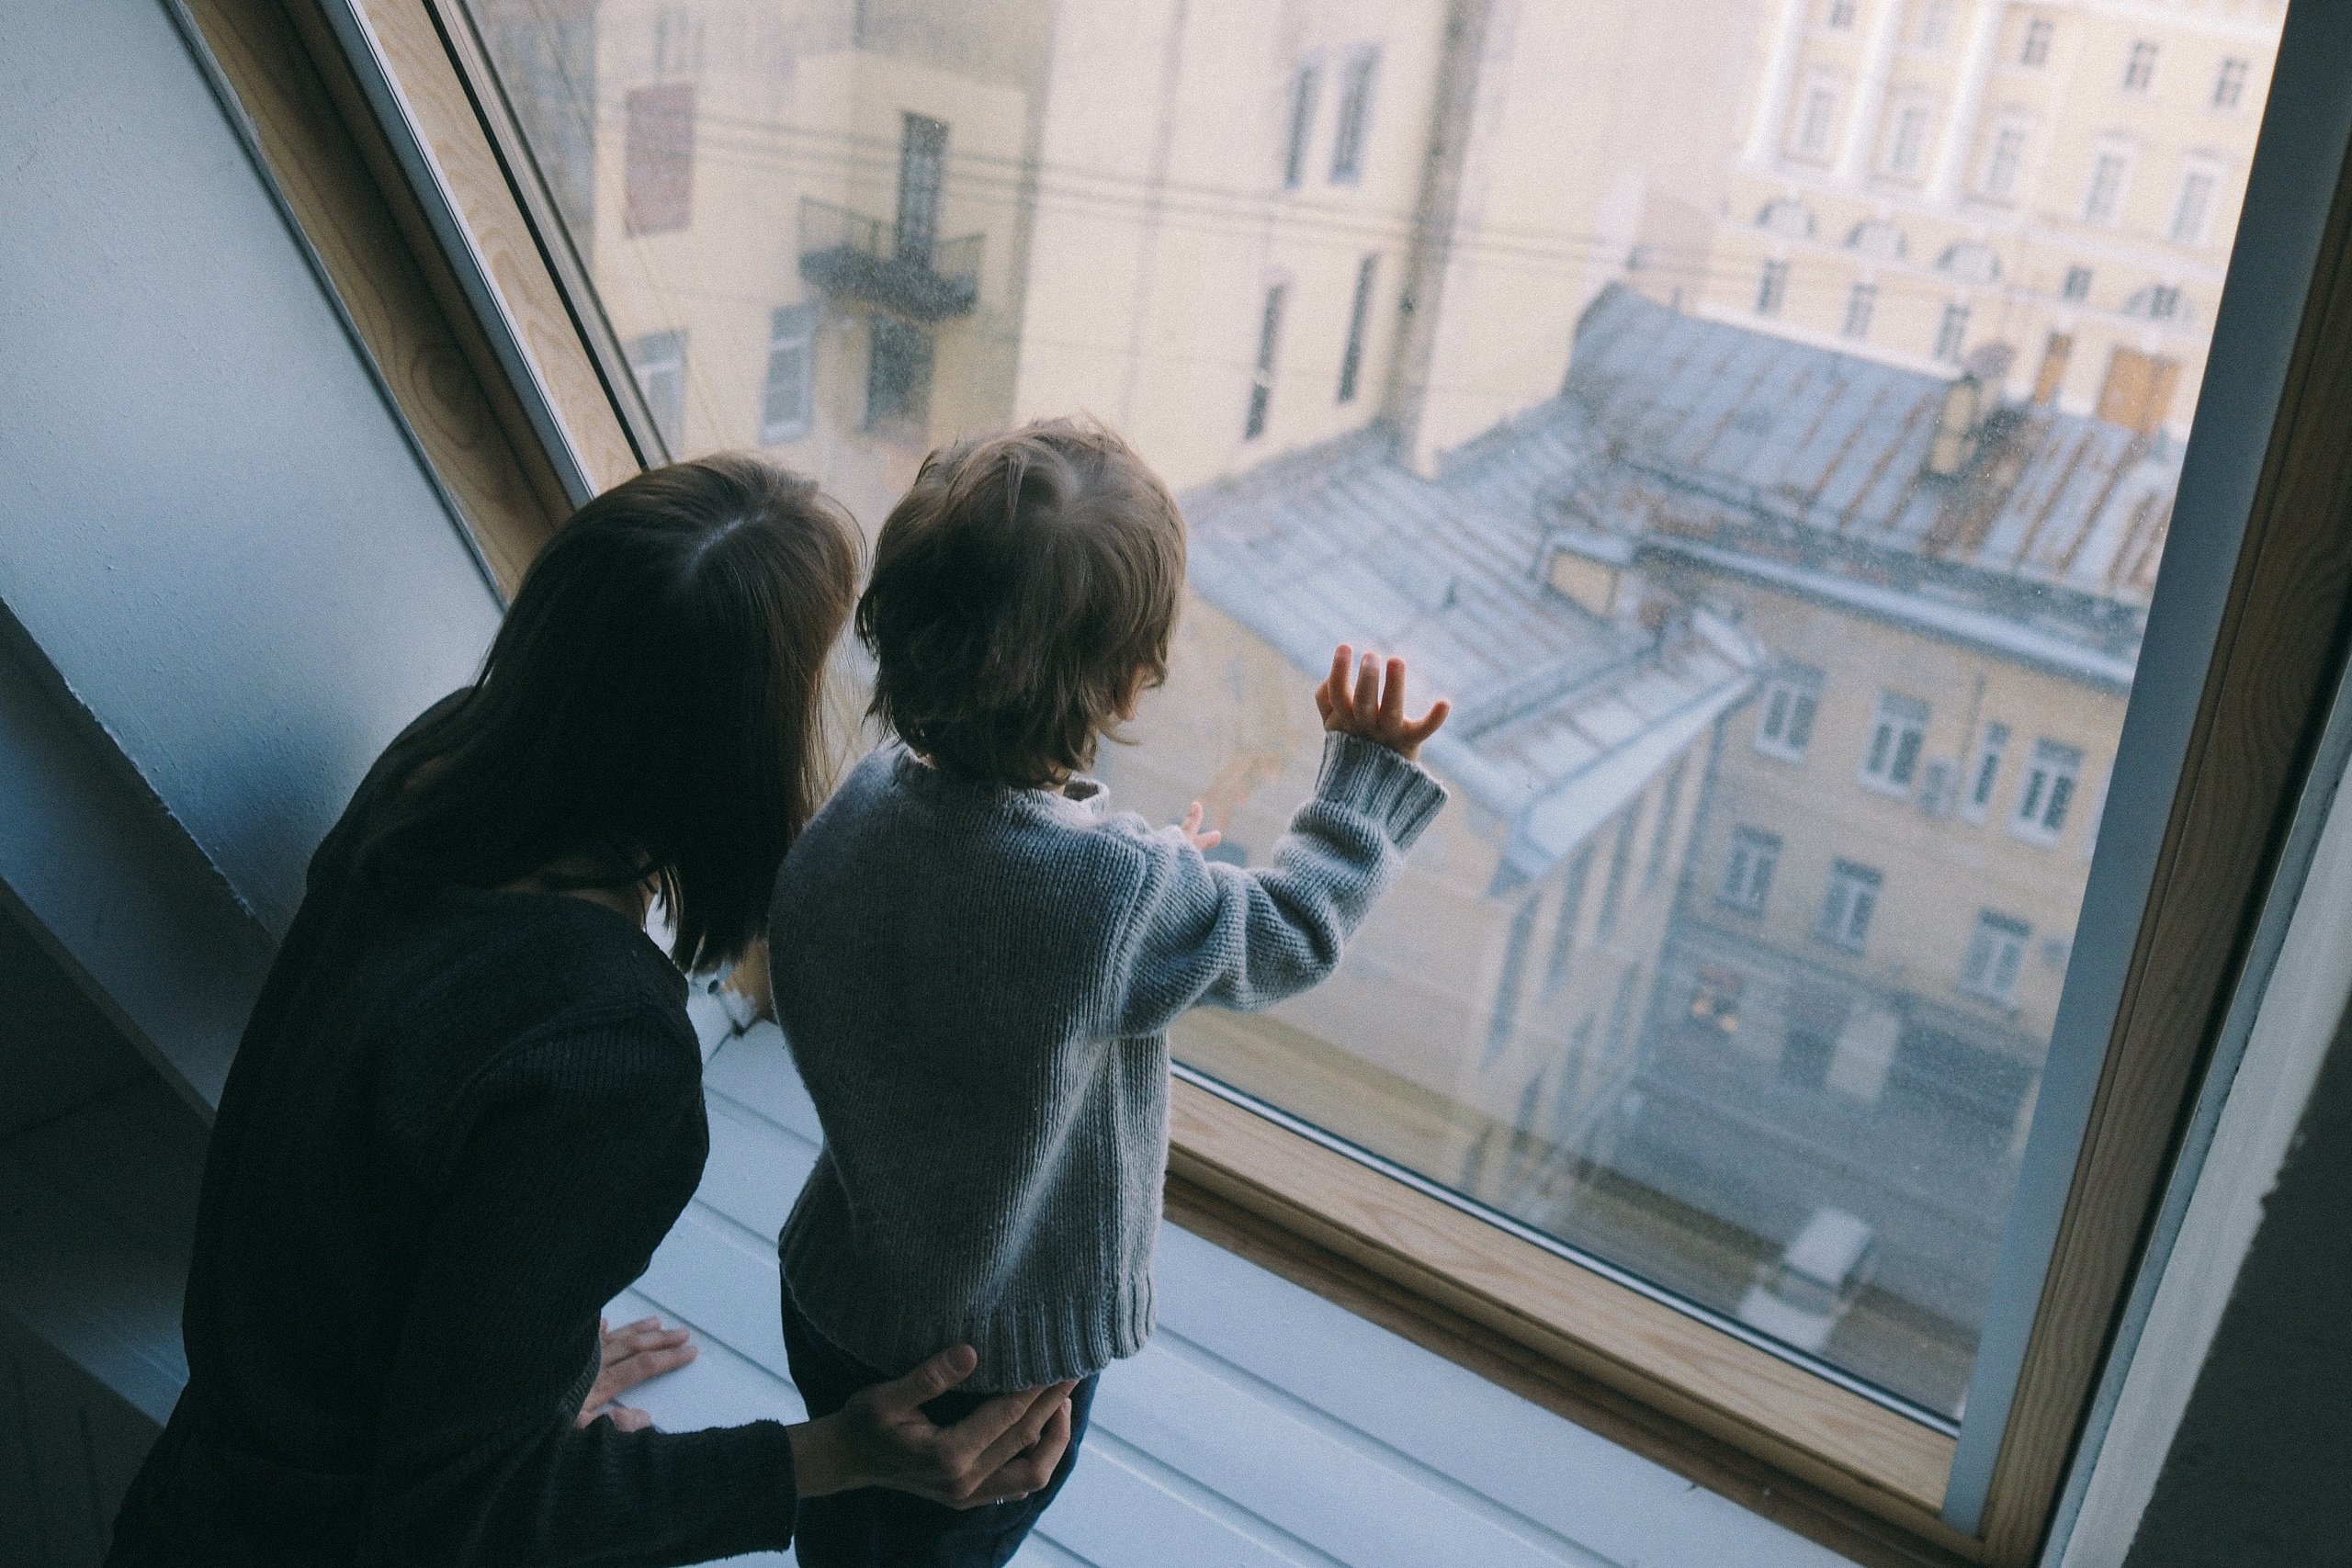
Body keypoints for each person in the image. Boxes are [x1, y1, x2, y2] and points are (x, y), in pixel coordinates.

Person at [105, 456, 1076, 1568]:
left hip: (209, 1499)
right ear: (743, 740)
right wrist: (832, 1455)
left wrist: (518, 1369)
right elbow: (463, 1514)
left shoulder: (435, 769)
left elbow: (363, 1203)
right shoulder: (604, 1053)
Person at [766, 416, 1451, 1566]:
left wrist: (1112, 865)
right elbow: (1287, 931)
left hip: (837, 1299)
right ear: (1129, 687)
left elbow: (949, 938)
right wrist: (1362, 790)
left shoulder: (864, 803)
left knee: (847, 1536)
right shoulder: (1114, 894)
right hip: (991, 1373)